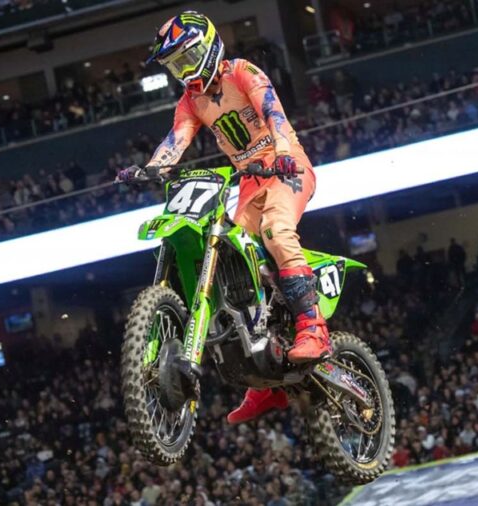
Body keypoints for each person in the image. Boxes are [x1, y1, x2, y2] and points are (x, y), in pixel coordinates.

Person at [118, 11, 330, 425]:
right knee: (235, 258)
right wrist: (151, 169)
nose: (184, 70)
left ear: (208, 46)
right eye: (175, 64)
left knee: (275, 230)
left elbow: (274, 113)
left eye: (186, 57)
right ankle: (265, 378)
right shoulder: (190, 100)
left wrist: (283, 151)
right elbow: (177, 139)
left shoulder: (242, 72)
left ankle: (312, 326)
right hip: (248, 180)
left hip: (286, 166)